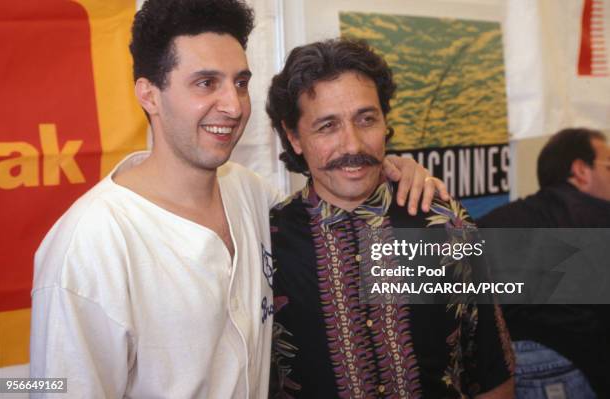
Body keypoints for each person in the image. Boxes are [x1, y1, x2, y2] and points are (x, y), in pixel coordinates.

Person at [29, 1, 446, 397]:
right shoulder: (87, 246)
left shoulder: (250, 193)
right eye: (206, 83)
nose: (232, 105)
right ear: (149, 94)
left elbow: (331, 202)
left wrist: (388, 170)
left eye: (241, 83)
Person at [266, 38, 515, 398]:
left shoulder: (444, 224)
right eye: (327, 126)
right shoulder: (269, 239)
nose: (352, 145)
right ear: (294, 137)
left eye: (366, 119)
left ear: (385, 122)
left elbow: (491, 370)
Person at [478, 128, 610, 398]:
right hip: (571, 366)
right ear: (581, 170)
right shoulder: (598, 219)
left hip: (499, 370)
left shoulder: (496, 220)